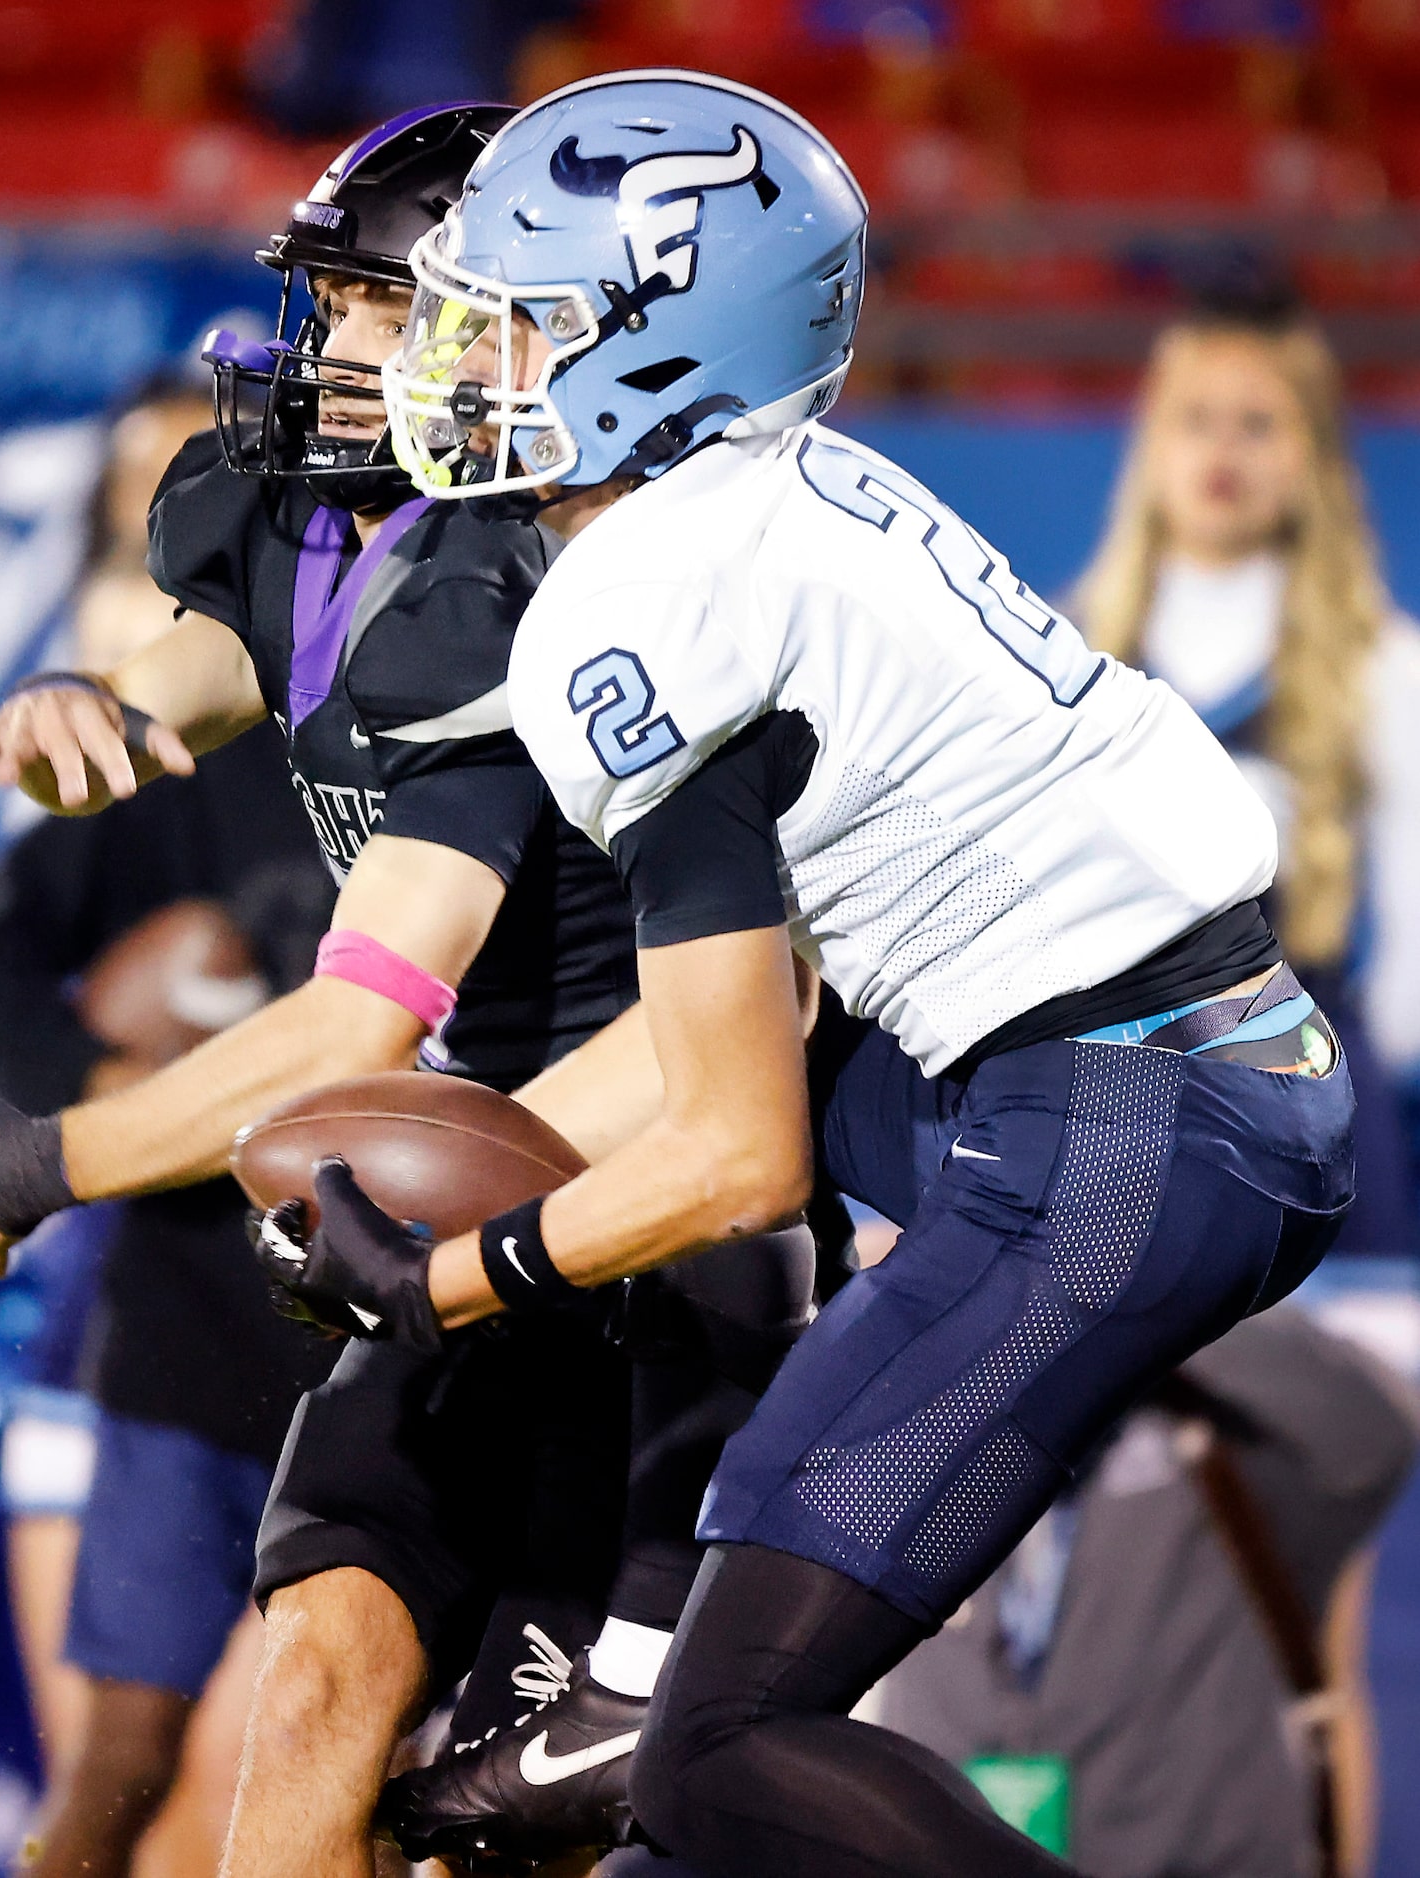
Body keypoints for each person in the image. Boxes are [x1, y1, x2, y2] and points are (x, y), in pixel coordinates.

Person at [271, 67, 1358, 1878]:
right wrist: (457, 1158)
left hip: (1111, 1117)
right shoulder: (778, 493)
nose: (450, 363)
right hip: (1170, 1065)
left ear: (652, 350)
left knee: (726, 1750)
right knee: (715, 1291)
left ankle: (643, 1688)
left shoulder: (632, 601)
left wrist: (454, 1274)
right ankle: (637, 1654)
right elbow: (741, 1025)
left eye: (508, 322)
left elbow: (738, 1150)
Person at [0, 104, 813, 1878]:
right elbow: (237, 641)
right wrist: (110, 702)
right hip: (449, 1205)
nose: (328, 352)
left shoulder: (541, 578)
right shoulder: (321, 513)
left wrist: (48, 1155)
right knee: (316, 1685)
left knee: (516, 1837)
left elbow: (357, 1021)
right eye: (323, 303)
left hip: (645, 1227)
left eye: (379, 310)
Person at [0, 377, 341, 1878]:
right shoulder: (191, 752)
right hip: (185, 1319)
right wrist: (93, 1094)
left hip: (397, 1327)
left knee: (324, 1762)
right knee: (117, 1760)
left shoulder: (474, 750)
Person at [1074, 298, 1420, 1261]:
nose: (1223, 449)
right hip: (1115, 1106)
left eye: (1259, 423)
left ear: (1312, 454)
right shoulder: (1070, 662)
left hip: (1319, 1112)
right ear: (1151, 446)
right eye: (1194, 419)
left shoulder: (1382, 668)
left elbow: (1410, 949)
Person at [879, 1303, 1420, 1878]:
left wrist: (1132, 1285)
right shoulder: (911, 1407)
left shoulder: (1228, 1429)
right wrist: (912, 1288)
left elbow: (1376, 1431)